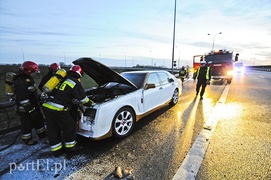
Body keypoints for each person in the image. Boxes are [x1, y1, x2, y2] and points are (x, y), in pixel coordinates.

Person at [42, 65, 94, 157]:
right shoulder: (74, 82)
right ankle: (71, 147)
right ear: (79, 74)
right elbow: (83, 99)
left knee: (53, 129)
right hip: (58, 108)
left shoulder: (61, 78)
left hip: (47, 106)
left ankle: (56, 151)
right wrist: (91, 103)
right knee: (69, 127)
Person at [13, 61, 47, 145]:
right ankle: (27, 140)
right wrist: (31, 110)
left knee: (39, 120)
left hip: (33, 105)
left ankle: (42, 134)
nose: (35, 74)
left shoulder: (28, 78)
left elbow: (31, 92)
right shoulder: (20, 81)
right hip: (25, 109)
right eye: (34, 72)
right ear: (28, 71)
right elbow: (23, 99)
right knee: (27, 124)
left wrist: (38, 98)